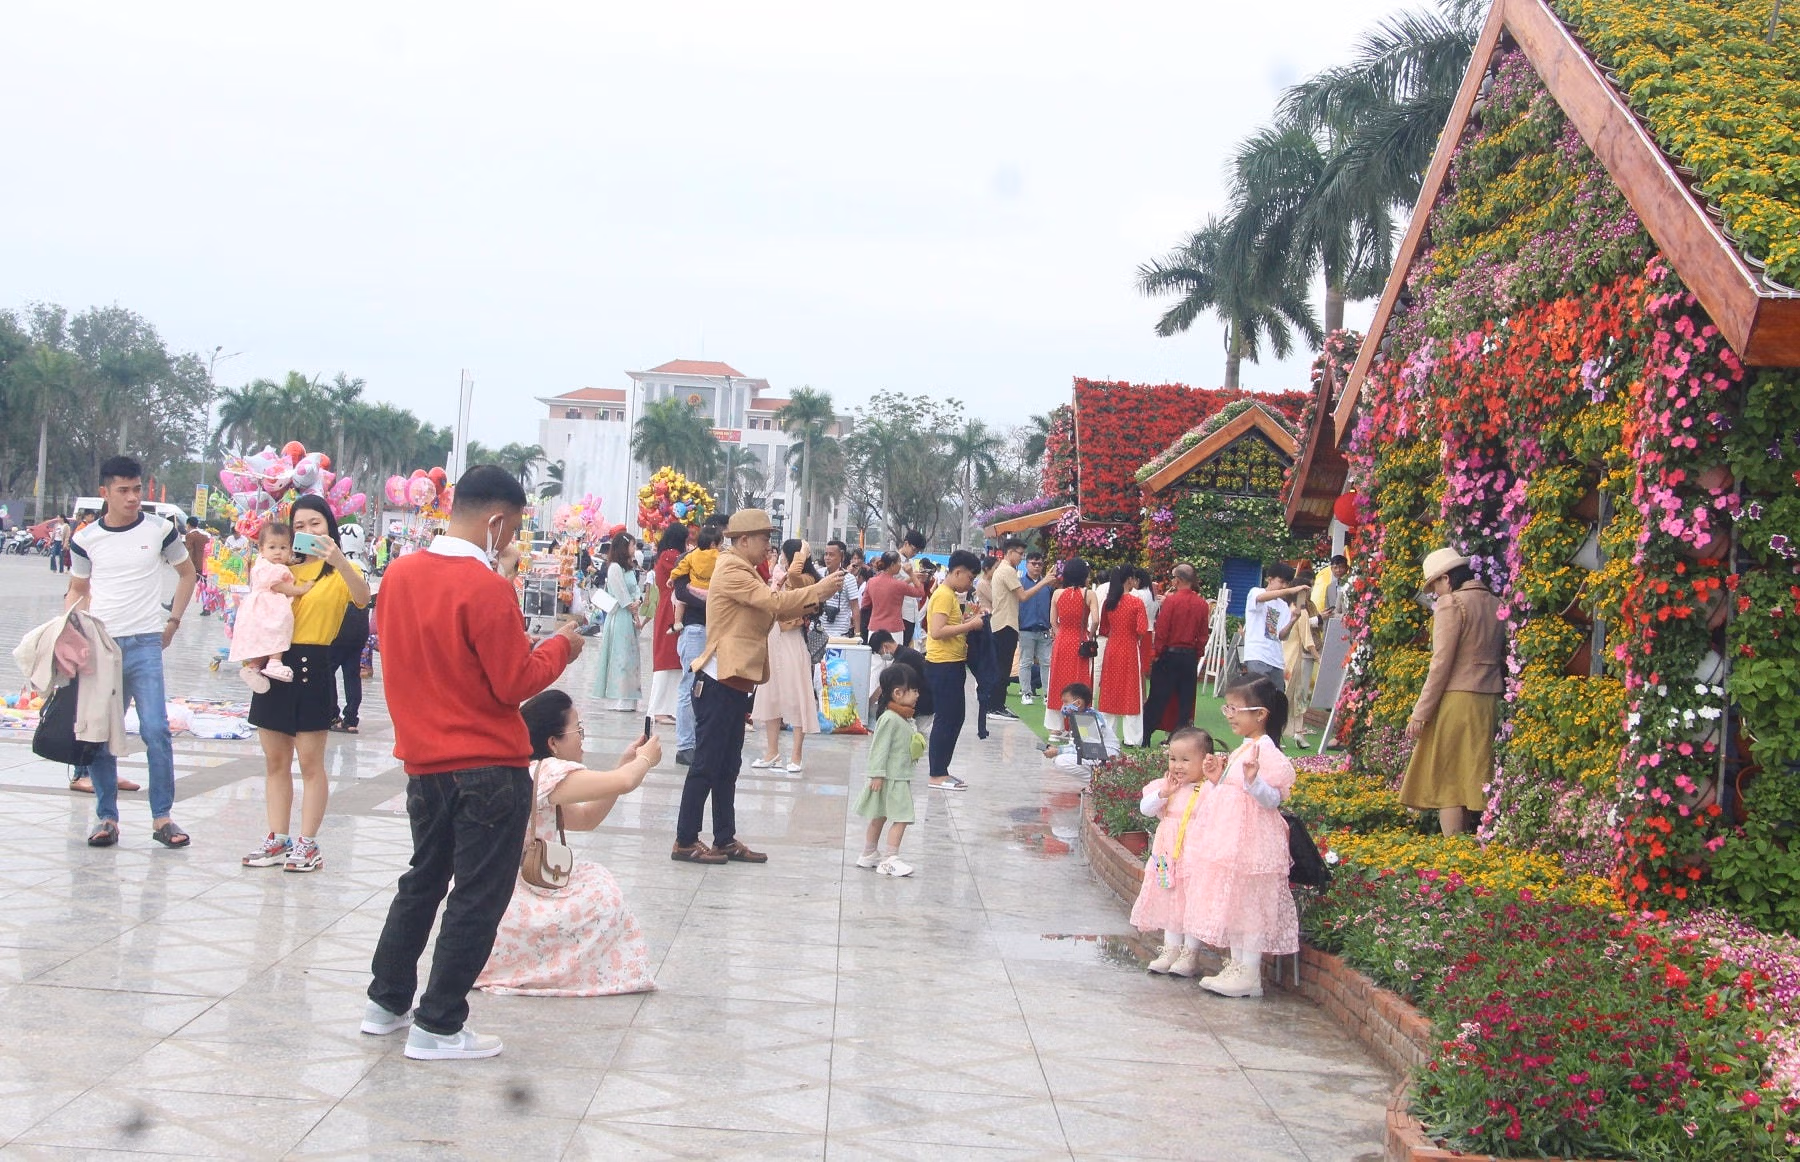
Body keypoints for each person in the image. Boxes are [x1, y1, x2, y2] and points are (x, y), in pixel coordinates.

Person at [364, 465, 583, 1061]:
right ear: (495, 520)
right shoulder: (485, 587)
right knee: (476, 897)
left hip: (423, 764)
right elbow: (514, 682)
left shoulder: (399, 574)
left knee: (422, 882)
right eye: (510, 529)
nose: (509, 540)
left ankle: (386, 1002)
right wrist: (562, 646)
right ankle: (438, 1025)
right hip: (486, 767)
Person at [674, 510, 843, 864]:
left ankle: (724, 838)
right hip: (718, 680)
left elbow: (775, 610)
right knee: (706, 765)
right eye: (764, 538)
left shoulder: (745, 568)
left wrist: (812, 593)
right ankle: (685, 840)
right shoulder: (732, 569)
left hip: (735, 681)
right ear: (744, 539)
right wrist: (818, 589)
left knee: (727, 766)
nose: (768, 545)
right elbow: (774, 604)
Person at [476, 690, 658, 997]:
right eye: (578, 730)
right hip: (521, 889)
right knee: (601, 896)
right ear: (553, 743)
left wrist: (625, 763)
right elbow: (625, 782)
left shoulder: (530, 770)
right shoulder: (549, 771)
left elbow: (585, 819)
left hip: (504, 884)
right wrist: (645, 759)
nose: (582, 739)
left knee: (597, 883)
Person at [67, 457, 197, 849]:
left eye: (136, 489)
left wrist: (173, 622)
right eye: (123, 490)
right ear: (104, 493)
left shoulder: (160, 530)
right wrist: (70, 629)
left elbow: (187, 573)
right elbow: (78, 588)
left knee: (156, 729)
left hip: (145, 643)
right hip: (101, 646)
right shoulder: (86, 539)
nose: (132, 497)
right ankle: (106, 817)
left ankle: (163, 817)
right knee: (102, 731)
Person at [241, 497, 372, 872]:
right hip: (274, 662)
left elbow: (363, 599)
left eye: (316, 523)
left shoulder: (341, 572)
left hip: (313, 666)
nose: (308, 531)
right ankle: (277, 837)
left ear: (329, 526)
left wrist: (339, 561)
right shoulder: (278, 569)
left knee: (311, 763)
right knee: (275, 760)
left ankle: (308, 844)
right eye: (299, 526)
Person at [1185, 676, 1299, 999]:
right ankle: (1237, 966)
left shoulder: (1266, 752)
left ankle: (1249, 971)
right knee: (1236, 902)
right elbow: (1233, 790)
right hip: (1233, 840)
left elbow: (1272, 799)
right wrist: (1216, 778)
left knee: (1249, 905)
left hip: (1253, 843)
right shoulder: (1245, 747)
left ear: (1260, 714)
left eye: (1235, 709)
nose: (1229, 715)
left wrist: (1253, 782)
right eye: (1228, 709)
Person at [1400, 549, 1505, 835]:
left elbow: (1440, 663)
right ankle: (1470, 844)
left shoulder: (1451, 603)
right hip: (1489, 698)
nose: (1435, 593)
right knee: (1474, 775)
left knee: (1448, 780)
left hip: (1456, 700)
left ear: (1446, 579)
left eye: (1434, 584)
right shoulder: (1495, 602)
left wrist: (1420, 712)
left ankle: (1452, 850)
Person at [1131, 727, 1217, 977]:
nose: (1178, 766)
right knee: (1169, 897)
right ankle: (1170, 949)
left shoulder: (1209, 789)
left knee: (1192, 900)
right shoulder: (1167, 786)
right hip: (1166, 855)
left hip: (1195, 856)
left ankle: (1190, 953)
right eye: (1173, 759)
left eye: (1185, 760)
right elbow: (1146, 808)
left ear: (1206, 760)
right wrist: (1163, 794)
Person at [751, 539, 820, 774]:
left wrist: (802, 553)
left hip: (792, 638)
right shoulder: (778, 575)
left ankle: (796, 755)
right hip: (774, 636)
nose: (779, 557)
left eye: (783, 553)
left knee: (795, 695)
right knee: (770, 694)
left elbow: (794, 575)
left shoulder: (806, 579)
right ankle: (772, 752)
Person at [853, 662, 926, 878]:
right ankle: (890, 859)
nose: (917, 695)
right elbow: (879, 748)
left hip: (894, 777)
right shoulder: (890, 719)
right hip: (893, 778)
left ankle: (868, 854)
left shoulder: (902, 717)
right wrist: (876, 774)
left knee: (880, 815)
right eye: (913, 690)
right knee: (902, 817)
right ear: (897, 693)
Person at [922, 549, 985, 792]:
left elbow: (948, 626)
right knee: (946, 719)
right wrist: (971, 625)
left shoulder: (949, 595)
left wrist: (969, 620)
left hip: (953, 663)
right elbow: (937, 631)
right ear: (957, 572)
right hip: (942, 665)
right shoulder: (943, 596)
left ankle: (943, 770)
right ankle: (936, 773)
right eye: (970, 578)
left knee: (955, 717)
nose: (970, 583)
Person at [229, 522, 313, 692]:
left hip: (258, 606)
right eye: (272, 547)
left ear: (290, 549)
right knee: (278, 629)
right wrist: (301, 589)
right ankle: (275, 662)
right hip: (268, 607)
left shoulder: (264, 563)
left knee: (265, 640)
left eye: (283, 548)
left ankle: (253, 667)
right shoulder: (269, 568)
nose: (278, 552)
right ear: (262, 549)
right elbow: (279, 586)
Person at [670, 521, 723, 766]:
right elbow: (680, 592)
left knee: (708, 687)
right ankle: (685, 746)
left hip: (715, 630)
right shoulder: (687, 559)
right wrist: (711, 602)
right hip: (695, 628)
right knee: (689, 685)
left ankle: (700, 741)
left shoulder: (722, 561)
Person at [1143, 563, 1212, 741]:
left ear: (1178, 580)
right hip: (1189, 655)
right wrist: (1197, 653)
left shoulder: (1171, 601)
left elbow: (1162, 629)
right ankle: (1179, 737)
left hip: (1169, 654)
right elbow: (1203, 634)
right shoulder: (1202, 604)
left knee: (1158, 697)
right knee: (1185, 701)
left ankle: (1145, 735)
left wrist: (1157, 653)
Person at [986, 539, 1049, 720]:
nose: (1021, 557)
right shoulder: (1007, 570)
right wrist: (1044, 582)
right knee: (1002, 668)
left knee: (1003, 667)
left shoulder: (1003, 570)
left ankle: (997, 704)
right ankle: (995, 707)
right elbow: (1023, 596)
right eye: (1020, 554)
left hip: (1005, 623)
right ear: (1010, 552)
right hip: (1005, 624)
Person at [1096, 564, 1150, 746]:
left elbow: (1104, 629)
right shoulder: (1136, 602)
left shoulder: (1109, 602)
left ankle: (1107, 734)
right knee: (1131, 691)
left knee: (1109, 690)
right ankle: (1132, 738)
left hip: (1112, 648)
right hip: (1130, 649)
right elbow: (1142, 629)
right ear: (1129, 580)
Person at [590, 534, 645, 712]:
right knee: (619, 654)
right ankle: (617, 697)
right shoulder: (614, 568)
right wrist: (631, 606)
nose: (634, 549)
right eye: (632, 545)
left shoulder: (629, 567)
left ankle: (629, 697)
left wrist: (638, 601)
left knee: (630, 655)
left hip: (629, 615)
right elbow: (620, 592)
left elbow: (635, 589)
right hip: (620, 616)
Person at [1043, 558, 1098, 735]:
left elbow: (1053, 621)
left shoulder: (1057, 593)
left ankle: (1055, 727)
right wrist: (1090, 635)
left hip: (1062, 641)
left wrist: (1059, 634)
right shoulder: (1089, 594)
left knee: (1057, 681)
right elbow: (1096, 620)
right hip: (1080, 640)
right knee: (1080, 680)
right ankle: (1078, 727)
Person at [647, 524, 689, 724]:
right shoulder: (670, 556)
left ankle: (667, 708)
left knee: (673, 659)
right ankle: (658, 709)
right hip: (669, 608)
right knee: (666, 658)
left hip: (672, 606)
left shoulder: (667, 554)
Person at [1241, 562, 1308, 686]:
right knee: (1260, 693)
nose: (1284, 586)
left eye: (1287, 583)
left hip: (1276, 659)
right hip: (1257, 655)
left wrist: (1293, 620)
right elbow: (1260, 598)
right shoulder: (1255, 592)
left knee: (1277, 695)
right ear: (1270, 579)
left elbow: (1281, 635)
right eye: (1281, 581)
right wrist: (1291, 590)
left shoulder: (1283, 606)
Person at [1280, 575, 1322, 747]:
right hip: (1296, 661)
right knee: (1297, 698)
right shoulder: (1301, 612)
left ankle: (1296, 732)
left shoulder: (1286, 609)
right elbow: (1308, 640)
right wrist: (1319, 658)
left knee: (1291, 698)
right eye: (1307, 590)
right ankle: (1292, 732)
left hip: (1283, 659)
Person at [1041, 682, 1120, 769]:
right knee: (1059, 757)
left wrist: (1058, 751)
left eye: (1066, 702)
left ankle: (1096, 773)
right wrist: (1057, 748)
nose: (1063, 706)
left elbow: (1089, 749)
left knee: (1060, 760)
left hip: (1105, 756)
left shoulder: (1087, 720)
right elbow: (1078, 746)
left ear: (1078, 703)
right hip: (1099, 754)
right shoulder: (1082, 717)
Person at [330, 591, 372, 735]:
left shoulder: (337, 578)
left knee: (327, 673)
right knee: (352, 676)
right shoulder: (361, 578)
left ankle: (333, 716)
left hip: (340, 628)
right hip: (359, 628)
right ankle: (351, 719)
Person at [1015, 551, 1053, 706]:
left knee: (1046, 662)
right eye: (1034, 563)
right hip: (1026, 628)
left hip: (1044, 629)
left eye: (1040, 564)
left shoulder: (1048, 585)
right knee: (1025, 662)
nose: (1037, 566)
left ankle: (1047, 694)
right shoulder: (1020, 583)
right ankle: (1026, 692)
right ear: (1027, 564)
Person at [861, 551, 925, 640]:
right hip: (894, 629)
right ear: (892, 565)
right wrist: (911, 574)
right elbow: (920, 592)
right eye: (899, 562)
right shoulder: (898, 585)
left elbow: (865, 604)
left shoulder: (871, 582)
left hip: (874, 627)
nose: (900, 565)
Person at [819, 539, 861, 639]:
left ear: (842, 556)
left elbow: (855, 607)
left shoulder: (849, 578)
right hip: (818, 633)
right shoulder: (819, 574)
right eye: (826, 554)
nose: (827, 558)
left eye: (831, 555)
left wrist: (857, 634)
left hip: (840, 635)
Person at [898, 529, 927, 643]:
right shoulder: (894, 560)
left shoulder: (911, 562)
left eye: (918, 552)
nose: (915, 553)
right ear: (906, 544)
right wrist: (912, 576)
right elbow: (893, 587)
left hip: (911, 612)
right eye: (914, 550)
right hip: (900, 612)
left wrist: (919, 579)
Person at [183, 517, 212, 616]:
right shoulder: (205, 536)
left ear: (188, 524)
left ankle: (174, 604)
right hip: (204, 565)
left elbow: (189, 551)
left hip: (194, 566)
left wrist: (187, 565)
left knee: (184, 584)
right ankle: (206, 608)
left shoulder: (190, 536)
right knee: (204, 587)